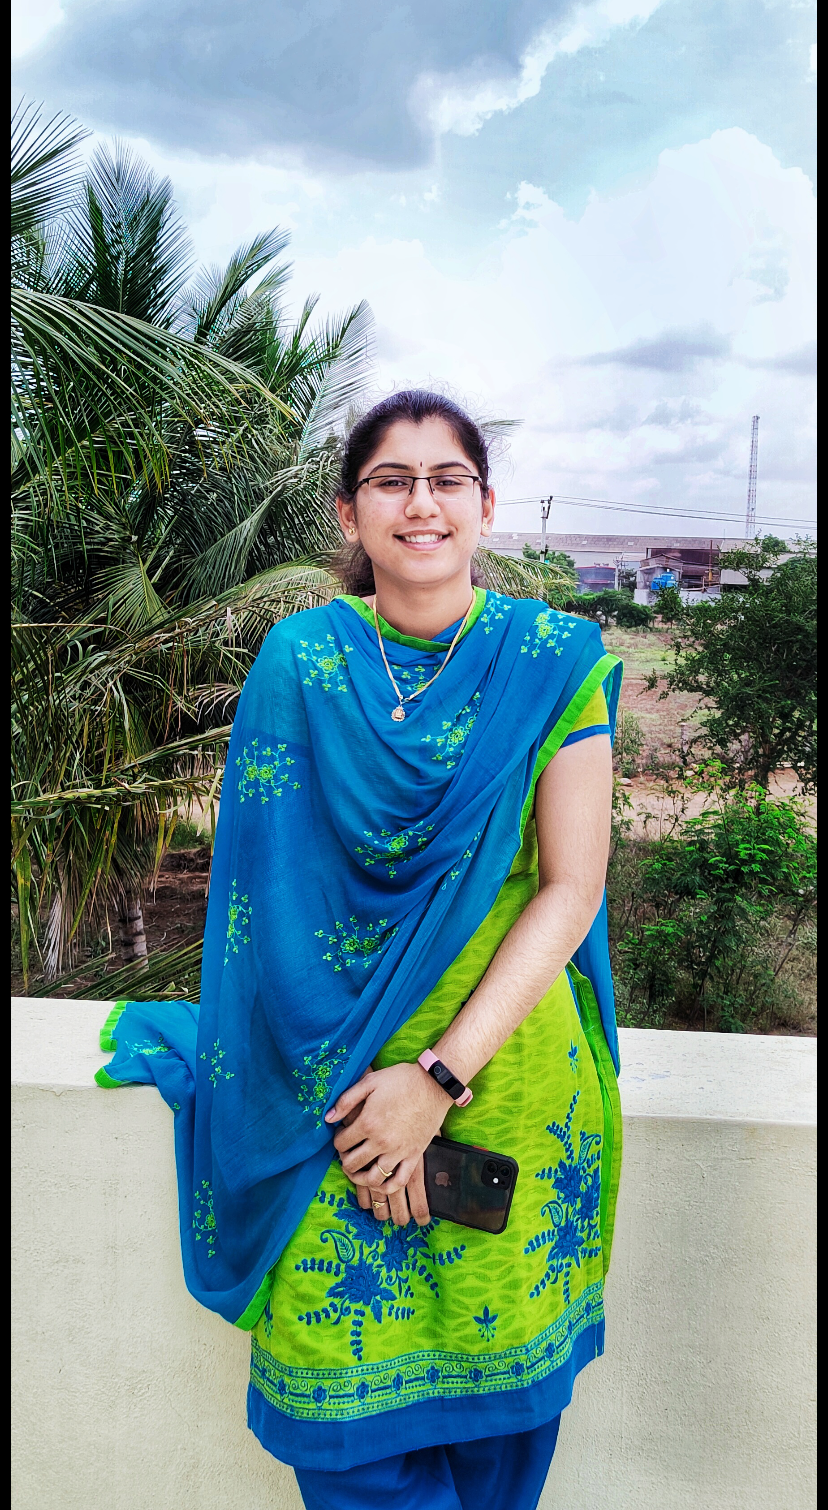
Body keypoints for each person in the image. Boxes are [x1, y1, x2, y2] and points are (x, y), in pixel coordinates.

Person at [97, 389, 622, 1510]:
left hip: (506, 1081)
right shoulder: (303, 659)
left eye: (446, 479)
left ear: (486, 505)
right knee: (350, 1453)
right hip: (328, 1092)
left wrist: (436, 1080)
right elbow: (264, 902)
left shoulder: (553, 659)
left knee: (502, 1443)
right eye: (391, 480)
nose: (420, 502)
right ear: (349, 512)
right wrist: (353, 1096)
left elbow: (572, 887)